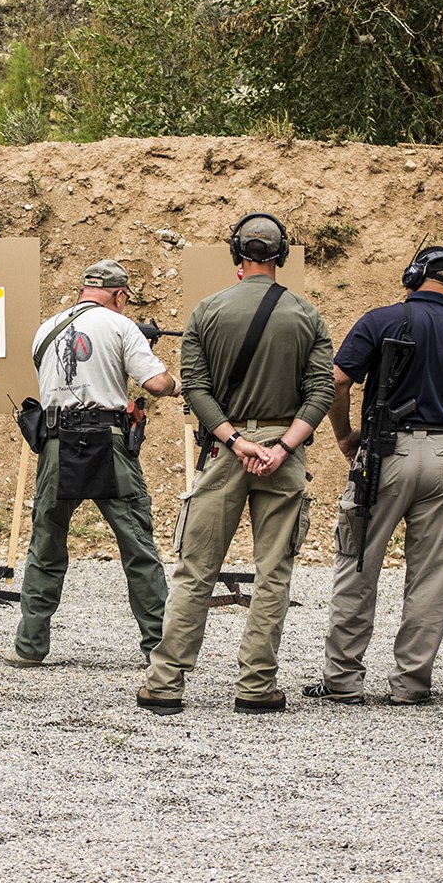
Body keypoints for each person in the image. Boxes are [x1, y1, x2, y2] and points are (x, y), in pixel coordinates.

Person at [140, 213, 334, 715]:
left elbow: (196, 388)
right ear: (282, 256)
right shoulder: (307, 314)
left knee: (195, 570)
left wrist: (233, 439)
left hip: (224, 451)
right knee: (273, 573)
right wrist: (282, 447)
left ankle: (164, 684)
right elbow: (321, 392)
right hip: (284, 454)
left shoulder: (207, 310)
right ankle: (256, 685)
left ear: (237, 256)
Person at [305, 246, 443, 706]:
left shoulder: (381, 320)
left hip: (385, 452)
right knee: (433, 575)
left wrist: (344, 436)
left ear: (412, 276)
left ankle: (343, 680)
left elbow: (337, 380)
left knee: (358, 563)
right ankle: (411, 683)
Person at [6, 259, 183, 668]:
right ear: (120, 295)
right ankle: (158, 649)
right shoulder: (122, 327)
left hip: (55, 444)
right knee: (137, 545)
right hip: (108, 444)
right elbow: (155, 384)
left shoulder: (44, 329)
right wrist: (175, 382)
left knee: (46, 544)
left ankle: (30, 646)